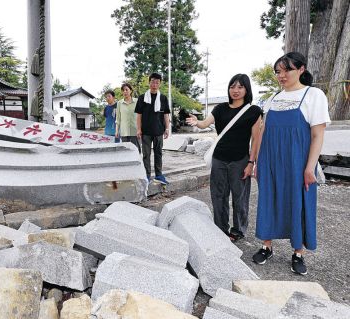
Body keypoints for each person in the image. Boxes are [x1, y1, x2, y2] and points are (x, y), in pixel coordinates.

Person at [253, 52, 330, 275]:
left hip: (298, 162)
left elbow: (317, 135)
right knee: (269, 199)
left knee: (299, 202)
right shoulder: (272, 99)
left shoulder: (313, 95)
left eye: (287, 70)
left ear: (301, 70)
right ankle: (266, 246)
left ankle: (298, 253)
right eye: (278, 71)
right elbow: (263, 132)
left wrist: (310, 167)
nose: (282, 75)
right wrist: (257, 161)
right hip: (270, 160)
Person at [186, 74, 262, 241]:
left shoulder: (254, 111)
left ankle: (238, 230)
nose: (235, 90)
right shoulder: (220, 108)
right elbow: (205, 123)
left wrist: (251, 162)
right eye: (232, 86)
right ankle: (221, 229)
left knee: (240, 197)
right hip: (219, 158)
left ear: (247, 89)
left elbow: (256, 139)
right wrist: (196, 121)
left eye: (240, 87)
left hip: (240, 160)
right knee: (218, 196)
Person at [135, 72, 170, 185]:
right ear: (149, 82)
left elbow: (166, 115)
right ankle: (147, 175)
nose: (154, 84)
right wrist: (139, 129)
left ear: (159, 84)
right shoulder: (142, 98)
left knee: (158, 153)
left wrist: (167, 128)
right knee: (146, 155)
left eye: (157, 82)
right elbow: (139, 115)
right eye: (152, 82)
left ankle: (159, 175)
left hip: (159, 131)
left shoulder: (163, 98)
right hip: (145, 132)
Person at [115, 83, 140, 153]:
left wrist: (140, 129)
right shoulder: (119, 103)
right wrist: (117, 130)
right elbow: (118, 118)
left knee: (136, 151)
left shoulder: (137, 101)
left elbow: (140, 116)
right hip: (124, 132)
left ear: (131, 91)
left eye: (126, 90)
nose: (125, 92)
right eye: (123, 90)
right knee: (125, 152)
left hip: (135, 131)